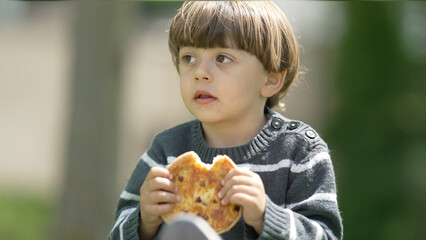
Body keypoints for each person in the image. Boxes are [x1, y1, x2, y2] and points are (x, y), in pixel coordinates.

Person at [109, 1, 343, 240]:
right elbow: (115, 234)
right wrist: (144, 221)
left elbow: (326, 236)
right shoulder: (166, 152)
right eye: (189, 58)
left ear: (270, 80)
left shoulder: (299, 152)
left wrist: (266, 216)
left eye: (222, 58)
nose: (200, 72)